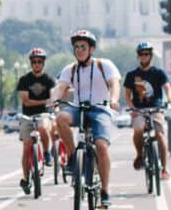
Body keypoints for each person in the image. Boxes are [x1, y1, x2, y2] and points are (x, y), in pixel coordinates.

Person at [50, 29, 121, 208]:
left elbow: (114, 84)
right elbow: (61, 87)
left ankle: (105, 191)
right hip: (78, 108)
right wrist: (54, 100)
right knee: (61, 118)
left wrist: (113, 100)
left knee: (101, 146)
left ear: (91, 49)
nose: (79, 50)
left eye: (83, 47)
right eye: (76, 47)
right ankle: (74, 155)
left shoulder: (104, 65)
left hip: (100, 109)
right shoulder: (70, 69)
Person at [124, 41, 171, 180]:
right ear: (138, 56)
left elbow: (167, 88)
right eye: (141, 54)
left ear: (151, 56)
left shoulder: (158, 73)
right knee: (138, 128)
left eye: (146, 54)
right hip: (139, 109)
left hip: (156, 108)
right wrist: (133, 108)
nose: (143, 57)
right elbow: (127, 95)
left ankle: (164, 168)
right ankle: (140, 155)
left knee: (160, 135)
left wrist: (170, 98)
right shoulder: (132, 74)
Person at [15, 47, 56, 194]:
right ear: (31, 63)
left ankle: (46, 153)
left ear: (43, 63)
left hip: (43, 115)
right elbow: (26, 102)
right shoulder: (24, 80)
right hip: (27, 116)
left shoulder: (49, 80)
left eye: (39, 61)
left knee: (43, 127)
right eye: (34, 61)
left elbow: (53, 98)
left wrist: (46, 102)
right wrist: (45, 101)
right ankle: (26, 179)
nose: (37, 64)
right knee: (26, 148)